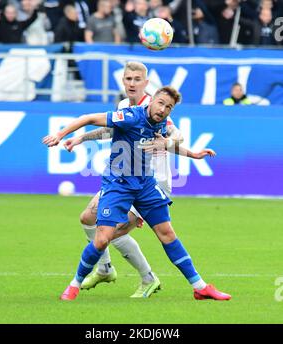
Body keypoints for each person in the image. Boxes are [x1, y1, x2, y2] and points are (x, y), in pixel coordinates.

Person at [43, 86, 231, 302]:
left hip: (145, 184)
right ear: (151, 101)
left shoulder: (160, 123)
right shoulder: (131, 116)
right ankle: (74, 284)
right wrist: (61, 134)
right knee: (103, 239)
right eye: (160, 103)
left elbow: (172, 141)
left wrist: (193, 154)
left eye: (168, 106)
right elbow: (89, 118)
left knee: (167, 234)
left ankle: (200, 287)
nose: (163, 109)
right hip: (118, 184)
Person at [60, 61, 183, 298]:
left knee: (111, 232)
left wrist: (167, 143)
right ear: (123, 81)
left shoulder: (156, 105)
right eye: (128, 79)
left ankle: (148, 278)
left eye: (138, 79)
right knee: (88, 218)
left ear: (146, 83)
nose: (132, 83)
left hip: (152, 181)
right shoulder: (124, 105)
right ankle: (105, 268)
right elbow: (111, 131)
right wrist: (81, 138)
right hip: (124, 179)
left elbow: (177, 135)